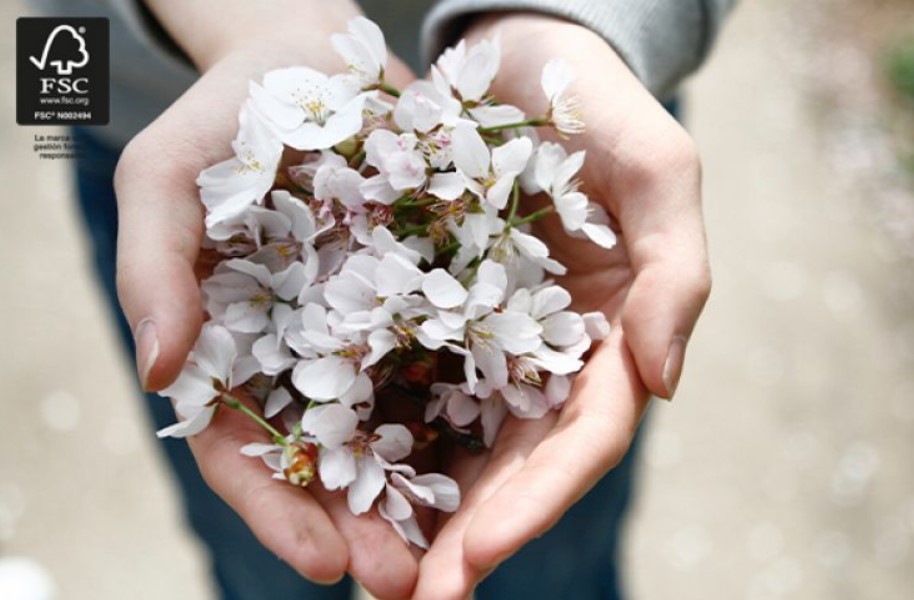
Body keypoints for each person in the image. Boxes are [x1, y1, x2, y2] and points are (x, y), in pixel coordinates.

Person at [36, 0, 732, 598]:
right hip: (124, 92)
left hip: (561, 79)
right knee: (262, 563)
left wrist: (587, 22)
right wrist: (260, 22)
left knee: (548, 560)